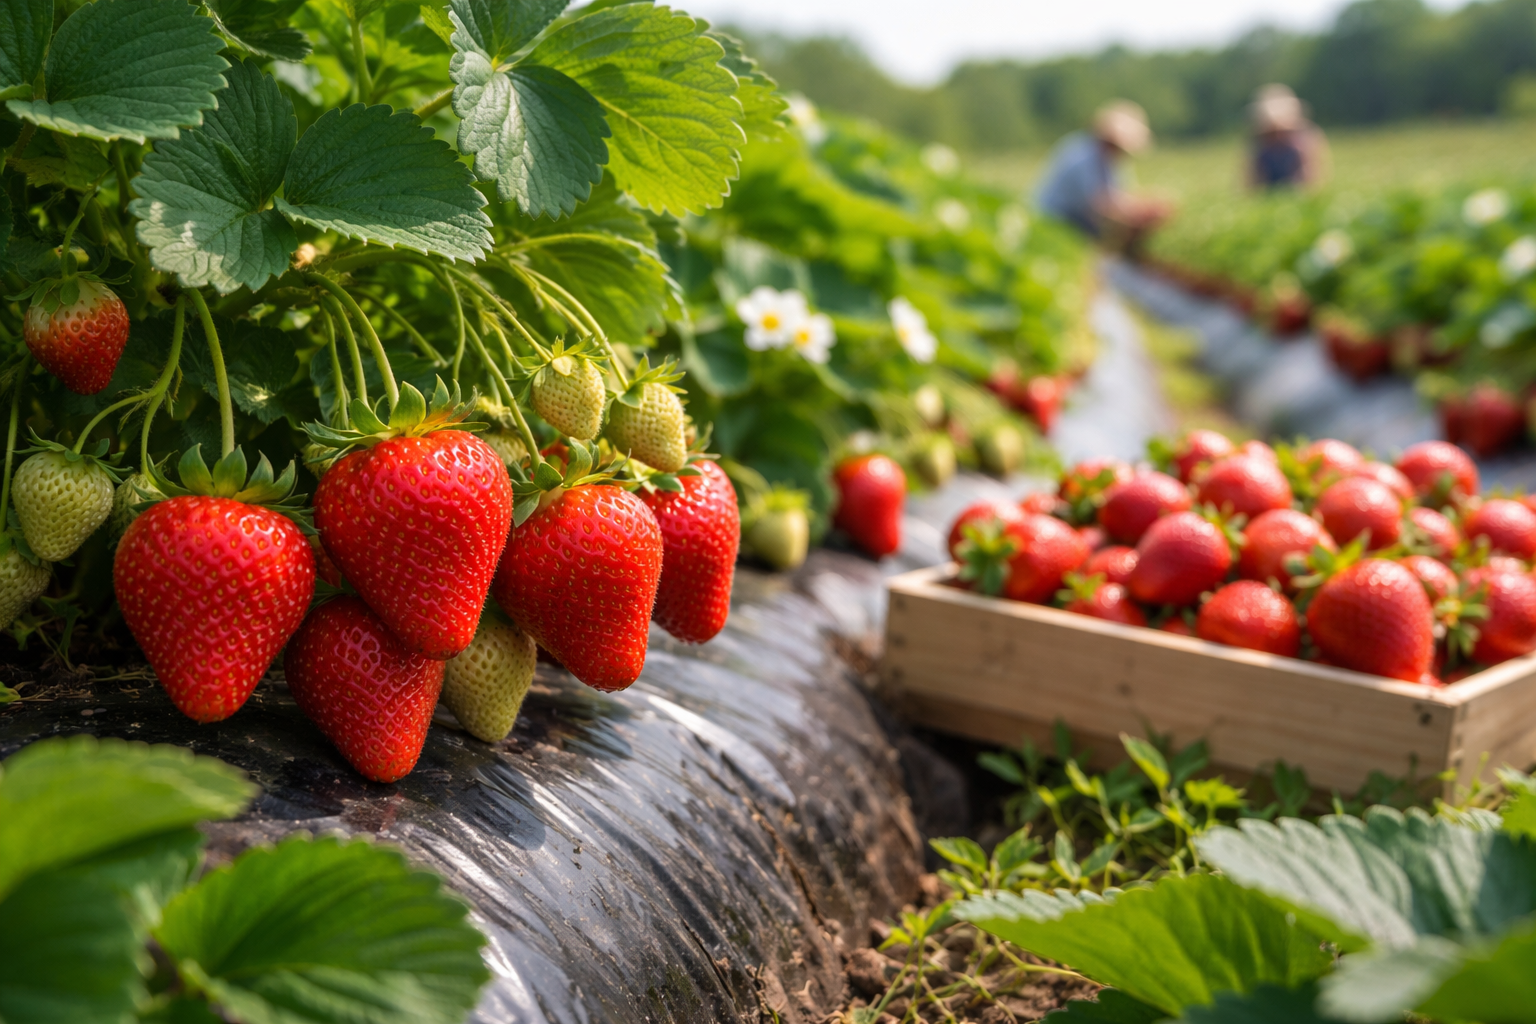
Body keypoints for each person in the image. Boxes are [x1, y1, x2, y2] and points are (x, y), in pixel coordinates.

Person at [1035, 100, 1173, 250]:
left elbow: (1120, 196)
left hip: (1077, 224)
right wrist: (1137, 211)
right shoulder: (1080, 156)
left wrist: (1144, 206)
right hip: (1053, 223)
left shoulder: (1111, 159)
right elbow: (1100, 205)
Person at [1247, 84, 1329, 191]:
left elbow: (1311, 177)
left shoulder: (1298, 148)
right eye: (1272, 133)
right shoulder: (1261, 151)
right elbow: (1252, 182)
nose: (1278, 137)